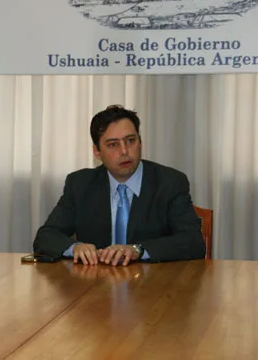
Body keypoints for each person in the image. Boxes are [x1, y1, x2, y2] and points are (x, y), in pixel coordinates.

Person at [33, 105, 205, 266]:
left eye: (130, 141)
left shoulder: (170, 182)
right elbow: (46, 237)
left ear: (140, 143)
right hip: (96, 288)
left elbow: (192, 242)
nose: (124, 151)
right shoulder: (80, 184)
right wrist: (74, 247)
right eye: (113, 144)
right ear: (97, 152)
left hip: (154, 286)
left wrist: (138, 250)